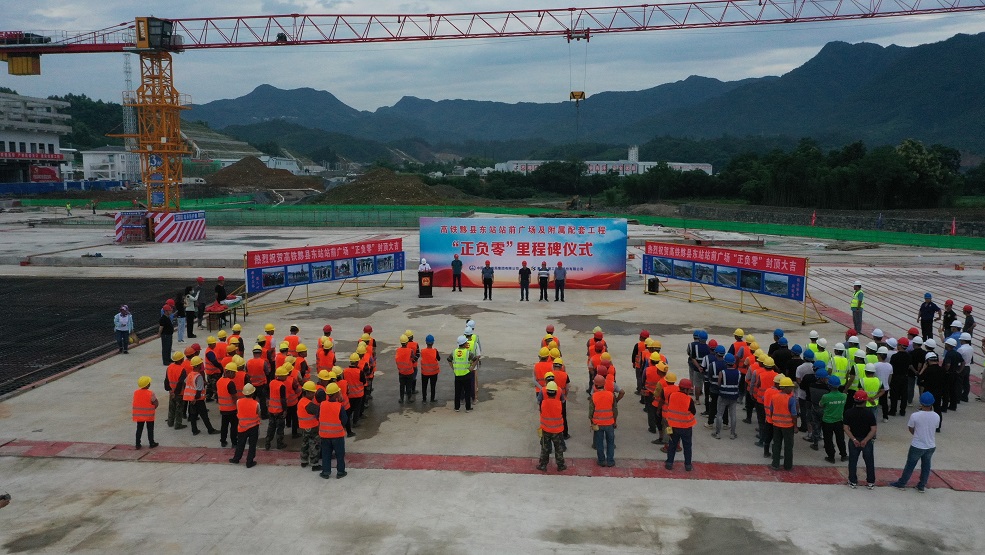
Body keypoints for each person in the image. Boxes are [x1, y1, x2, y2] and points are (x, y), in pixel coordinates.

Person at [889, 392, 942, 492]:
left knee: (910, 465)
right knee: (926, 466)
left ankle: (902, 483)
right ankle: (921, 485)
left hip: (917, 445)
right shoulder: (936, 416)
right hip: (930, 445)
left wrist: (917, 434)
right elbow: (935, 427)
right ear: (932, 403)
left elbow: (911, 428)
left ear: (921, 403)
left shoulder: (915, 416)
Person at [310, 383, 350, 479]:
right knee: (339, 454)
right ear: (336, 394)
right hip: (337, 435)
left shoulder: (322, 405)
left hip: (325, 435)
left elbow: (317, 417)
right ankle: (340, 472)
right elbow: (344, 420)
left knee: (326, 454)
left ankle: (326, 472)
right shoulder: (339, 406)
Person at [843, 389, 878, 489]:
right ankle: (870, 482)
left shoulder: (848, 412)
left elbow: (846, 428)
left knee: (852, 461)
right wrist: (865, 440)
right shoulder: (869, 414)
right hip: (867, 441)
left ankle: (852, 481)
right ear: (865, 400)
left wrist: (854, 439)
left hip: (854, 440)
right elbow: (873, 429)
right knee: (869, 461)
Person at [665, 378, 697, 471]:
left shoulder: (671, 395)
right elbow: (693, 412)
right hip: (686, 427)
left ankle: (669, 463)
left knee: (672, 445)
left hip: (673, 426)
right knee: (687, 446)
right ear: (686, 389)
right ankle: (688, 465)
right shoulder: (689, 399)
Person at [183, 356, 218, 436]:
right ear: (198, 365)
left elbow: (186, 383)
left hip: (191, 399)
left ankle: (194, 430)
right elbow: (199, 389)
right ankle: (210, 430)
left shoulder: (190, 374)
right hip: (198, 399)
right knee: (204, 415)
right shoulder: (198, 376)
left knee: (193, 415)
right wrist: (196, 398)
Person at [768, 376, 797, 471]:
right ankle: (788, 466)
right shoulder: (790, 399)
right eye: (790, 387)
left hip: (776, 425)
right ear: (785, 387)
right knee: (788, 446)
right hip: (788, 426)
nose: (792, 389)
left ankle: (775, 464)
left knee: (776, 444)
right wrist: (795, 426)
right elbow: (794, 415)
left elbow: (771, 411)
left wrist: (773, 420)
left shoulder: (774, 397)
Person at [537, 381, 567, 472]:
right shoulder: (559, 404)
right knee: (558, 448)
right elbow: (563, 402)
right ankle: (560, 465)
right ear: (555, 392)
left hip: (546, 429)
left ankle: (543, 465)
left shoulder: (543, 403)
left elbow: (541, 410)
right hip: (557, 430)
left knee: (545, 448)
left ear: (547, 392)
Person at [228, 384, 260, 468]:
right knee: (252, 445)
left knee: (240, 443)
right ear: (253, 393)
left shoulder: (238, 402)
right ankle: (249, 462)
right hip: (253, 427)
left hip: (242, 427)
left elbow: (239, 411)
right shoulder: (256, 404)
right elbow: (258, 413)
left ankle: (236, 458)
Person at [819, 375, 848, 463]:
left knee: (828, 440)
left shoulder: (826, 396)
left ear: (829, 385)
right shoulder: (844, 396)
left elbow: (821, 405)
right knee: (840, 439)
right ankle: (843, 455)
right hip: (839, 420)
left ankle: (831, 457)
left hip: (827, 421)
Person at [589, 374, 616, 467]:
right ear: (604, 384)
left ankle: (601, 460)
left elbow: (591, 412)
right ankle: (610, 461)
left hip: (598, 424)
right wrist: (615, 421)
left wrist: (592, 423)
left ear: (595, 385)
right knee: (610, 443)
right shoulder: (611, 395)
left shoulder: (594, 396)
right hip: (610, 423)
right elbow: (615, 410)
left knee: (599, 443)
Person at [714, 353, 740, 440]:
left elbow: (719, 383)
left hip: (723, 395)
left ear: (726, 362)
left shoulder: (722, 372)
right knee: (733, 415)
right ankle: (732, 434)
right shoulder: (738, 372)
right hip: (734, 396)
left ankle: (718, 433)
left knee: (719, 414)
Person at [447, 335, 477, 411]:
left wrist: (453, 368)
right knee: (467, 392)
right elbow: (475, 359)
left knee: (457, 392)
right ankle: (468, 408)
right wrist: (472, 367)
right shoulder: (467, 353)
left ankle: (457, 407)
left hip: (457, 375)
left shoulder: (454, 352)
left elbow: (449, 359)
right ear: (464, 344)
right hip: (466, 375)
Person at [297, 381, 321, 471]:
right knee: (314, 445)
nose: (314, 395)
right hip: (312, 427)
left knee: (305, 444)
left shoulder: (301, 401)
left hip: (303, 427)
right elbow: (318, 411)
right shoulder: (308, 404)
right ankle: (314, 464)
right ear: (306, 392)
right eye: (312, 393)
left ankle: (304, 461)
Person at [265, 364, 289, 450]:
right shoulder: (282, 386)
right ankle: (279, 444)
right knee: (280, 428)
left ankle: (267, 443)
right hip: (279, 411)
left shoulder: (272, 382)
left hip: (271, 410)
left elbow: (268, 393)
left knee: (271, 427)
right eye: (285, 375)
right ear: (281, 376)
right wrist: (285, 410)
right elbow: (283, 399)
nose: (286, 377)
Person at [132, 376, 159, 449]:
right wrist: (152, 408)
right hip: (149, 416)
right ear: (147, 385)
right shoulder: (151, 393)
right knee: (150, 429)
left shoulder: (136, 392)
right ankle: (151, 443)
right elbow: (156, 403)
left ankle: (137, 444)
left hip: (139, 415)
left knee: (139, 429)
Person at [164, 351, 188, 429]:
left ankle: (170, 422)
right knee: (179, 409)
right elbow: (181, 382)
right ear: (181, 360)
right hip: (179, 393)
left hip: (171, 392)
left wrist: (169, 390)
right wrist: (176, 392)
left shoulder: (169, 367)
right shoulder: (182, 369)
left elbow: (166, 380)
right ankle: (178, 424)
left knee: (171, 408)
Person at [420, 335, 440, 402]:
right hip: (434, 372)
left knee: (424, 386)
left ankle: (424, 399)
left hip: (425, 372)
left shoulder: (422, 351)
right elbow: (439, 359)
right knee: (433, 386)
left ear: (426, 342)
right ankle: (432, 399)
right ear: (433, 342)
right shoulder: (435, 351)